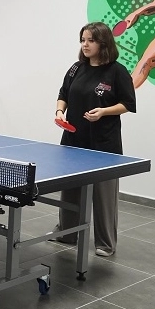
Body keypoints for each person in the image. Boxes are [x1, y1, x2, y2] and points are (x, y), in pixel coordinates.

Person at [53, 22, 136, 257]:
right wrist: (59, 111)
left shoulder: (117, 71)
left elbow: (128, 104)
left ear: (103, 42)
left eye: (90, 40)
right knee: (70, 190)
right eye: (83, 40)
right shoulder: (76, 68)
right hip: (73, 139)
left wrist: (103, 112)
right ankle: (67, 233)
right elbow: (63, 93)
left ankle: (105, 243)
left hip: (104, 144)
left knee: (103, 196)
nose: (85, 44)